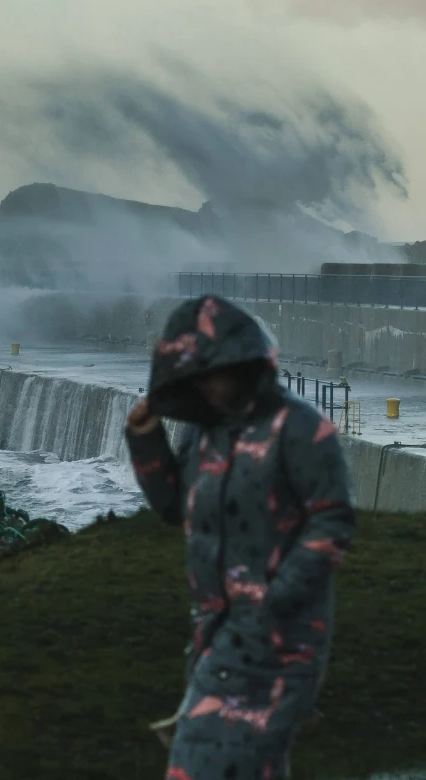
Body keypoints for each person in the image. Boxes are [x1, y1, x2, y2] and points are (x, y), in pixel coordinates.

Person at [125, 295, 356, 779]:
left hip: (281, 638)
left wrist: (273, 597)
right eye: (199, 376)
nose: (208, 386)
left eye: (215, 372)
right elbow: (174, 506)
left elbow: (332, 521)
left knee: (207, 762)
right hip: (215, 632)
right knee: (250, 766)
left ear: (245, 362)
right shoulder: (205, 433)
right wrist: (146, 439)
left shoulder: (300, 428)